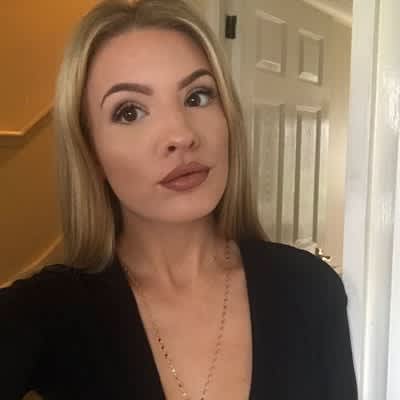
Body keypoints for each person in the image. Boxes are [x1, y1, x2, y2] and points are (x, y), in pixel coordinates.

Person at [0, 0, 358, 399]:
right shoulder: (48, 312)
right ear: (91, 152)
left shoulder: (309, 289)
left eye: (197, 97)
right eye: (130, 112)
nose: (182, 135)